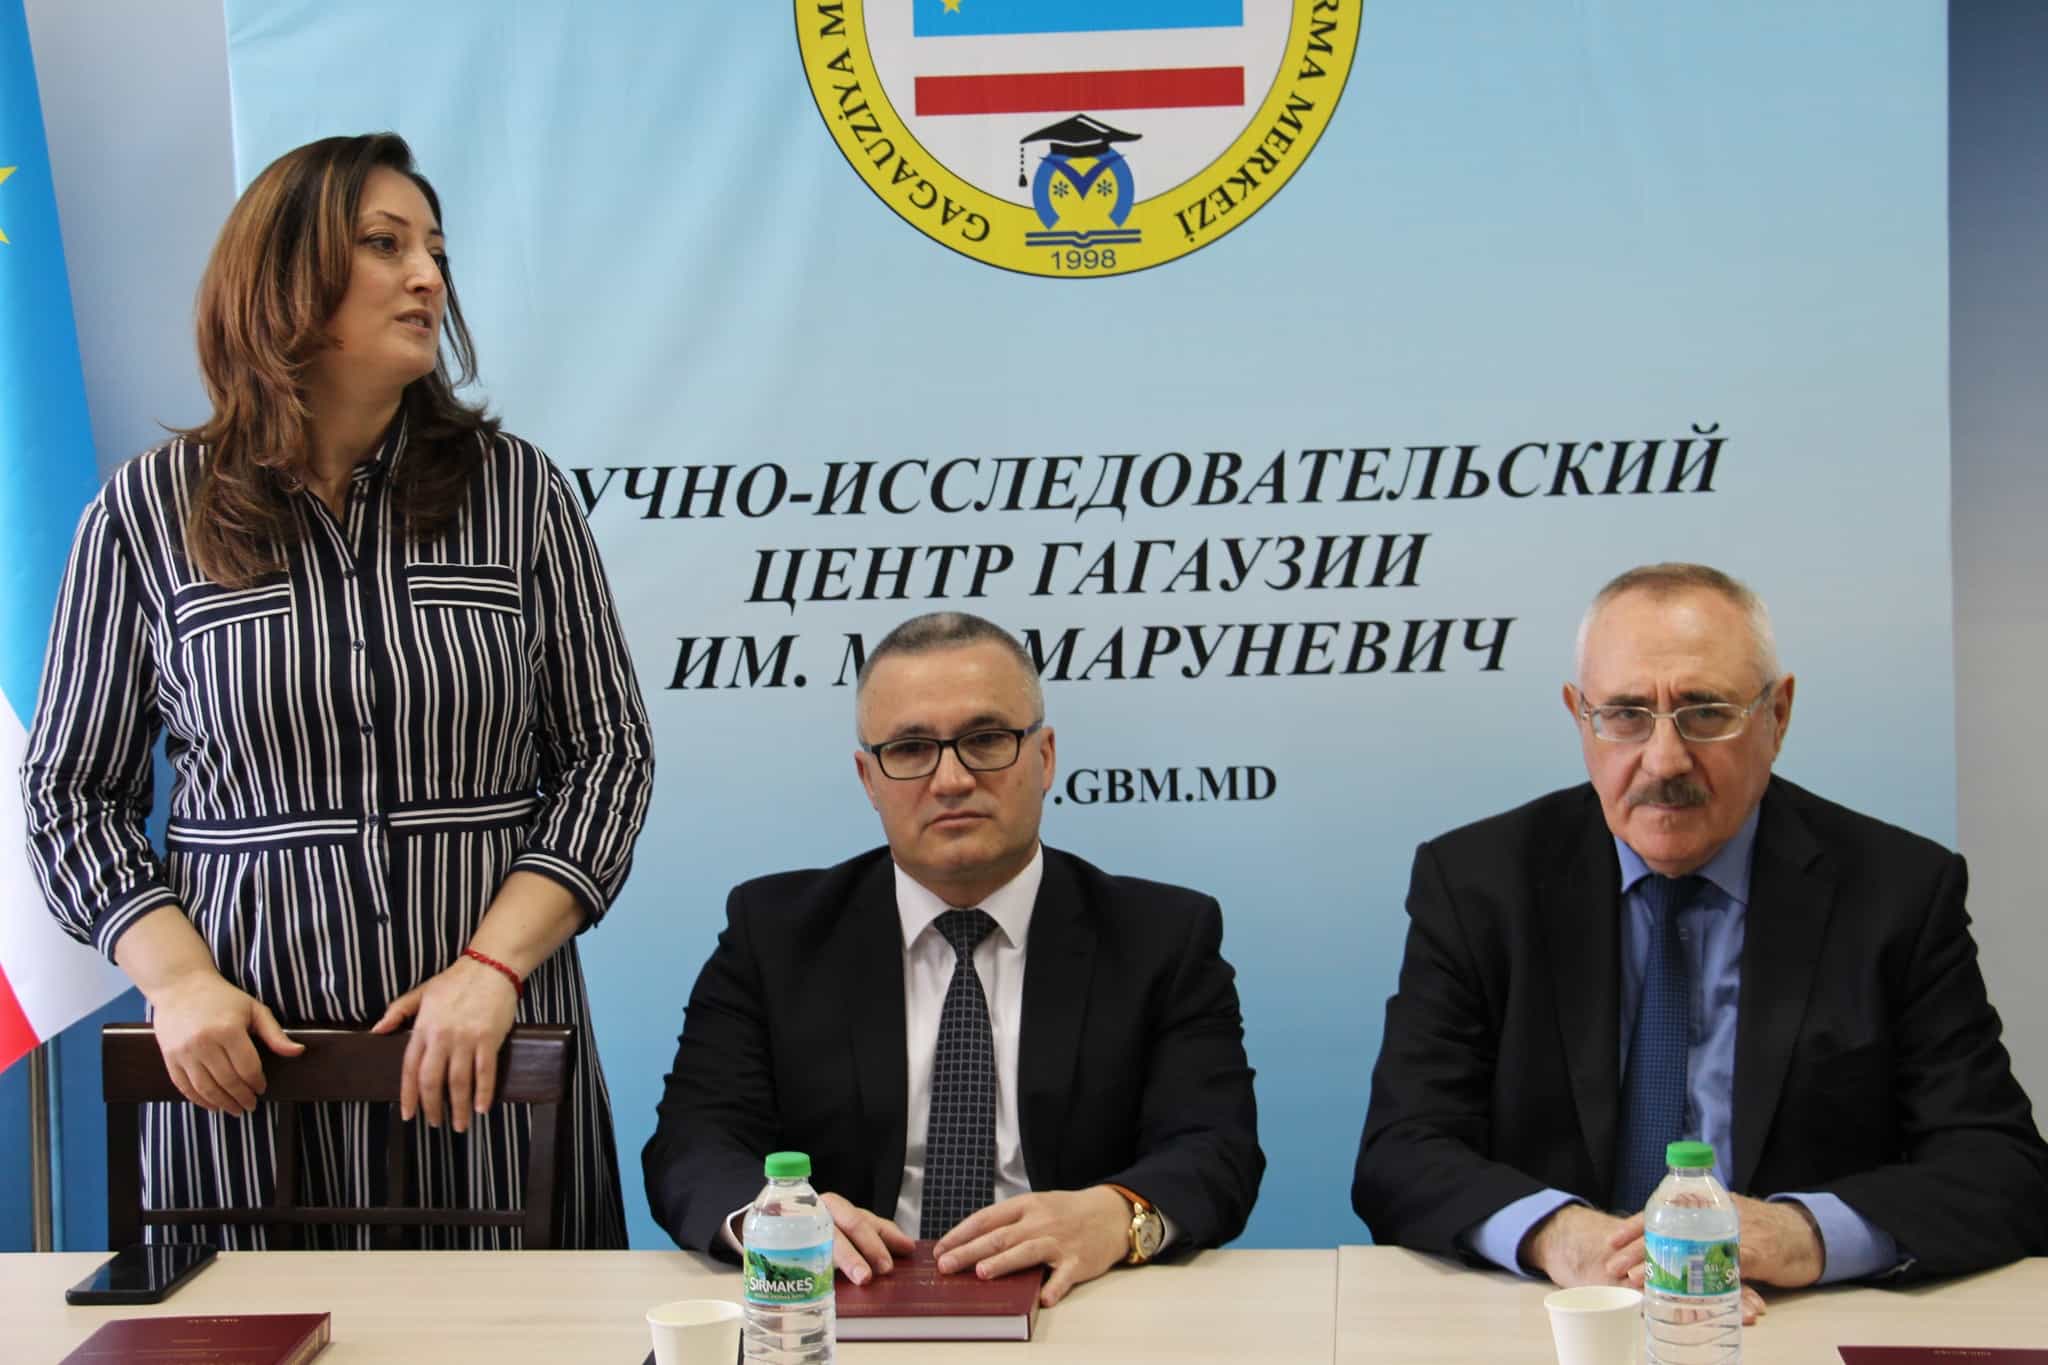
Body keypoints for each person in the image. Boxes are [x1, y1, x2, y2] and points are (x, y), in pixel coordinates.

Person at [21, 132, 654, 1248]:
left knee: (518, 1327)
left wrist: (492, 966)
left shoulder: (518, 494)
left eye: (435, 251)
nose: (428, 277)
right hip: (244, 1079)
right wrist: (178, 982)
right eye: (384, 244)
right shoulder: (148, 512)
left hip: (485, 1062)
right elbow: (71, 792)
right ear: (283, 276)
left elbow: (608, 755)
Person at [1353, 562, 2048, 1307]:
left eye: (1706, 712)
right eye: (1626, 714)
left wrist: (1802, 1235)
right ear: (1579, 716)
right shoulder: (1478, 884)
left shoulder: (1896, 891)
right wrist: (1561, 1237)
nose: (1664, 760)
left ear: (1778, 715)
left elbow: (2001, 1168)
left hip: (1790, 1322)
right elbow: (1402, 1154)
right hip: (1554, 1321)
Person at [643, 611, 1262, 1306]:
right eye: (910, 749)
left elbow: (1217, 1149)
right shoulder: (774, 933)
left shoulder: (1161, 937)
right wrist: (771, 1221)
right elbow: (693, 1143)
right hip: (840, 1306)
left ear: (1045, 756)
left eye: (986, 740)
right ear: (868, 778)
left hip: (1083, 1306)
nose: (952, 779)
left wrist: (1119, 1215)